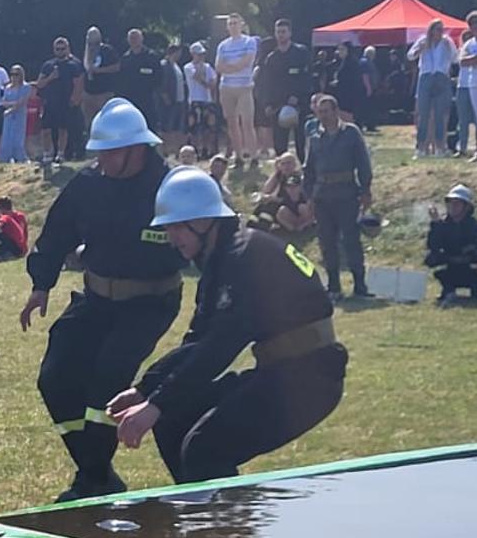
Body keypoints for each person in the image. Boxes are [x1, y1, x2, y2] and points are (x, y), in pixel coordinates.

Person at [108, 167, 345, 484]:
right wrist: (146, 389)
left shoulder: (242, 258)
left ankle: (223, 531)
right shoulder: (223, 258)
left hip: (310, 379)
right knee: (174, 420)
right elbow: (197, 342)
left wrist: (155, 404)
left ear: (204, 222)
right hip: (285, 372)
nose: (171, 237)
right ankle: (203, 522)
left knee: (205, 450)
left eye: (177, 226)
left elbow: (218, 348)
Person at [17, 98, 184, 501]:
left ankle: (91, 479)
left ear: (137, 149)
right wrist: (41, 283)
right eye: (100, 153)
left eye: (110, 152)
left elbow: (209, 238)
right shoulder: (89, 184)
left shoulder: (170, 186)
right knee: (55, 378)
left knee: (107, 380)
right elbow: (57, 233)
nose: (103, 160)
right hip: (96, 299)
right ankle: (95, 473)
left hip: (149, 303)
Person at [302, 95, 374, 299]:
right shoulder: (315, 137)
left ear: (335, 111)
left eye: (326, 111)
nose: (323, 115)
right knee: (326, 241)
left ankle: (360, 285)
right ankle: (333, 285)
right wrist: (309, 196)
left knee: (351, 240)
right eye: (320, 112)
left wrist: (365, 189)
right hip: (323, 195)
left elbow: (363, 163)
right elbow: (309, 169)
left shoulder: (351, 133)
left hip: (346, 193)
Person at [423, 185, 477, 305]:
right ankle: (448, 289)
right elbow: (433, 246)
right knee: (432, 258)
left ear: (466, 207)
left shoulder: (475, 226)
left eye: (457, 204)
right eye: (450, 203)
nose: (452, 207)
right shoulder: (442, 225)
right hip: (450, 265)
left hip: (469, 266)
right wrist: (435, 225)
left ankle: (476, 289)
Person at [259, 19, 315, 160]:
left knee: (301, 141)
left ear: (290, 33)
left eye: (283, 32)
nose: (281, 35)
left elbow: (308, 77)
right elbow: (267, 83)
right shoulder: (272, 58)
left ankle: (305, 168)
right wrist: (267, 104)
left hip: (299, 103)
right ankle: (282, 172)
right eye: (278, 32)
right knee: (279, 143)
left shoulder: (301, 53)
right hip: (278, 105)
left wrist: (298, 96)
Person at [216, 14, 262, 166]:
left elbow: (247, 61)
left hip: (244, 87)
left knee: (247, 122)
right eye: (230, 23)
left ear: (241, 25)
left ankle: (254, 156)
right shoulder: (222, 45)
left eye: (236, 23)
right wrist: (233, 67)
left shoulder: (249, 41)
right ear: (227, 26)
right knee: (232, 123)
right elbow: (218, 66)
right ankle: (239, 156)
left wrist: (230, 67)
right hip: (226, 87)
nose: (233, 26)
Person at [408, 19, 457, 158]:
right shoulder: (423, 40)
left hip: (441, 77)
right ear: (431, 30)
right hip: (426, 76)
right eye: (437, 30)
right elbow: (410, 56)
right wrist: (420, 49)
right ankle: (421, 148)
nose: (440, 33)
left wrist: (449, 49)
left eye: (442, 30)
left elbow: (455, 59)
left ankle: (440, 148)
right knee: (423, 114)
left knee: (440, 114)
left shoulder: (447, 41)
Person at [37, 38, 86, 167]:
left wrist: (75, 99)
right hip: (50, 102)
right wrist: (50, 77)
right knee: (46, 129)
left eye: (62, 49)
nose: (60, 51)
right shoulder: (48, 65)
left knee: (63, 129)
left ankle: (61, 154)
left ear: (68, 48)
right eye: (57, 49)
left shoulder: (74, 65)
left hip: (65, 102)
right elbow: (39, 84)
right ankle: (47, 154)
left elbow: (78, 84)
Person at [250, 155, 316, 246]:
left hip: (298, 209)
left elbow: (293, 200)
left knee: (276, 207)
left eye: (288, 163)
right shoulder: (281, 176)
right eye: (283, 164)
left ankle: (298, 229)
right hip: (286, 208)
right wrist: (276, 172)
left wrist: (273, 199)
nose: (285, 166)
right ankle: (254, 227)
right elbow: (266, 190)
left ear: (294, 165)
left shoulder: (295, 177)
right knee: (263, 206)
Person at [456, 11, 477, 161]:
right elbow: (462, 61)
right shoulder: (469, 43)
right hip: (474, 82)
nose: (475, 26)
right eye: (472, 23)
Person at [81, 27, 120, 152]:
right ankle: (91, 145)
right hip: (88, 93)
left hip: (104, 92)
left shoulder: (107, 50)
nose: (92, 43)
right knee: (89, 121)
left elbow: (117, 67)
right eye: (89, 39)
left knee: (105, 120)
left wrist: (99, 71)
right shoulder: (86, 52)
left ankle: (108, 144)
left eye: (94, 39)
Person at [184, 42, 221, 159]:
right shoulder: (188, 67)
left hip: (207, 100)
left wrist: (209, 83)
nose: (201, 57)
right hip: (195, 99)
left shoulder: (208, 67)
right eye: (198, 54)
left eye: (202, 54)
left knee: (208, 126)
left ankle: (206, 149)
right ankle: (195, 149)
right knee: (194, 127)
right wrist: (205, 79)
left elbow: (213, 82)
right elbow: (199, 78)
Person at [0, 65, 34, 163]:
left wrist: (11, 108)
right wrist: (11, 105)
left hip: (19, 115)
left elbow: (22, 101)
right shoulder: (8, 87)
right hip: (8, 116)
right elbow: (3, 102)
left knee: (18, 138)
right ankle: (6, 158)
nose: (14, 77)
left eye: (16, 74)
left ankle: (20, 157)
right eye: (12, 74)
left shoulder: (26, 87)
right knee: (7, 138)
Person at [159, 44, 191, 150]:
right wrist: (165, 96)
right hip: (169, 100)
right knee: (167, 126)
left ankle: (175, 148)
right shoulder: (164, 65)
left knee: (177, 127)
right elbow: (161, 82)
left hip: (179, 100)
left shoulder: (176, 65)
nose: (180, 55)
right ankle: (165, 148)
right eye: (179, 52)